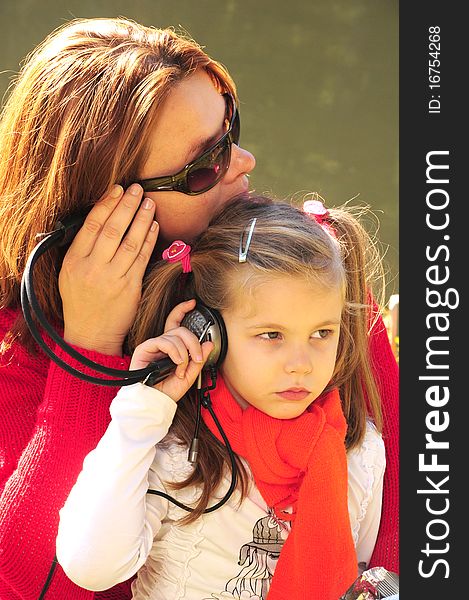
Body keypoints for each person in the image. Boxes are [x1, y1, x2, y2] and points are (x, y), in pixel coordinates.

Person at [0, 16, 398, 600]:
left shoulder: (303, 280)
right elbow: (35, 585)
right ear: (98, 215)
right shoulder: (18, 352)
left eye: (230, 129)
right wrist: (86, 351)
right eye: (204, 164)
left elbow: (415, 481)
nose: (246, 161)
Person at [56, 195, 386, 600]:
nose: (301, 364)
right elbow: (90, 566)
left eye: (322, 333)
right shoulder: (176, 452)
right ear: (209, 334)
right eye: (272, 335)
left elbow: (356, 579)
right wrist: (141, 411)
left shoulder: (359, 454)